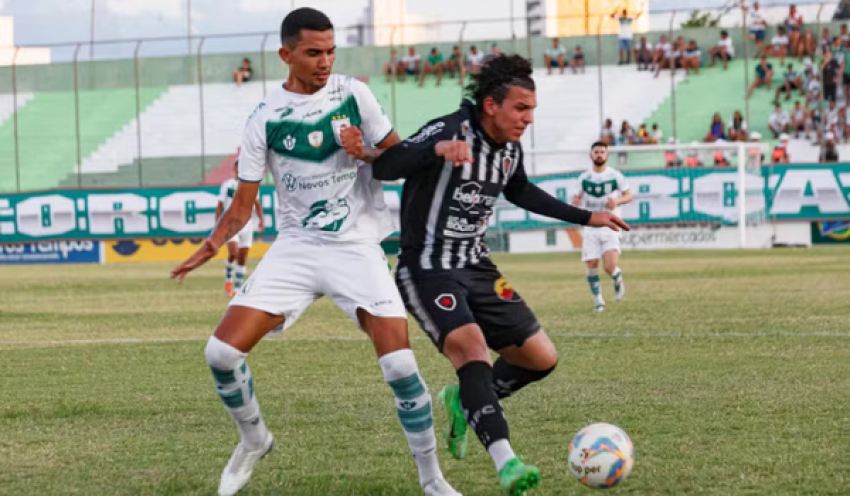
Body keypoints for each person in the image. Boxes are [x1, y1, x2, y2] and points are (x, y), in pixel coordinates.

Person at [171, 9, 460, 496]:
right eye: (313, 52)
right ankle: (254, 440)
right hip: (298, 248)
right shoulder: (264, 118)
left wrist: (364, 151)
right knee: (220, 352)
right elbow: (243, 205)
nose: (324, 61)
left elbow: (401, 159)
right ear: (286, 55)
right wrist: (210, 246)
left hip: (357, 246)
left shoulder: (354, 94)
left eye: (330, 51)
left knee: (400, 366)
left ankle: (432, 479)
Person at [371, 54, 629, 496]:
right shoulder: (451, 129)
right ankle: (507, 463)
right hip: (428, 268)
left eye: (532, 109)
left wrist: (589, 217)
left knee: (541, 357)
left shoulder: (509, 148)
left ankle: (466, 400)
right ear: (491, 105)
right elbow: (385, 166)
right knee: (471, 350)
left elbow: (522, 190)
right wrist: (435, 151)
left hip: (476, 265)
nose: (528, 118)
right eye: (521, 108)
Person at [571, 144, 633, 312]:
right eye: (596, 152)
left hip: (611, 225)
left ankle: (616, 277)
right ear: (591, 155)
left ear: (607, 154)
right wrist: (575, 202)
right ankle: (599, 301)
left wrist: (617, 201)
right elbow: (576, 197)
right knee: (591, 263)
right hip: (591, 226)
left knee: (609, 266)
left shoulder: (615, 175)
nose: (599, 155)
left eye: (602, 152)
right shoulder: (584, 178)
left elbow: (629, 195)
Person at [216, 161, 265, 297]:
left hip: (247, 225)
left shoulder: (251, 185)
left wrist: (261, 220)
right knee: (234, 252)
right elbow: (220, 204)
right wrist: (218, 223)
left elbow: (257, 203)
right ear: (235, 169)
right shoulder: (228, 185)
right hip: (231, 224)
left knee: (243, 257)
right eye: (238, 168)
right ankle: (228, 282)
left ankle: (237, 289)